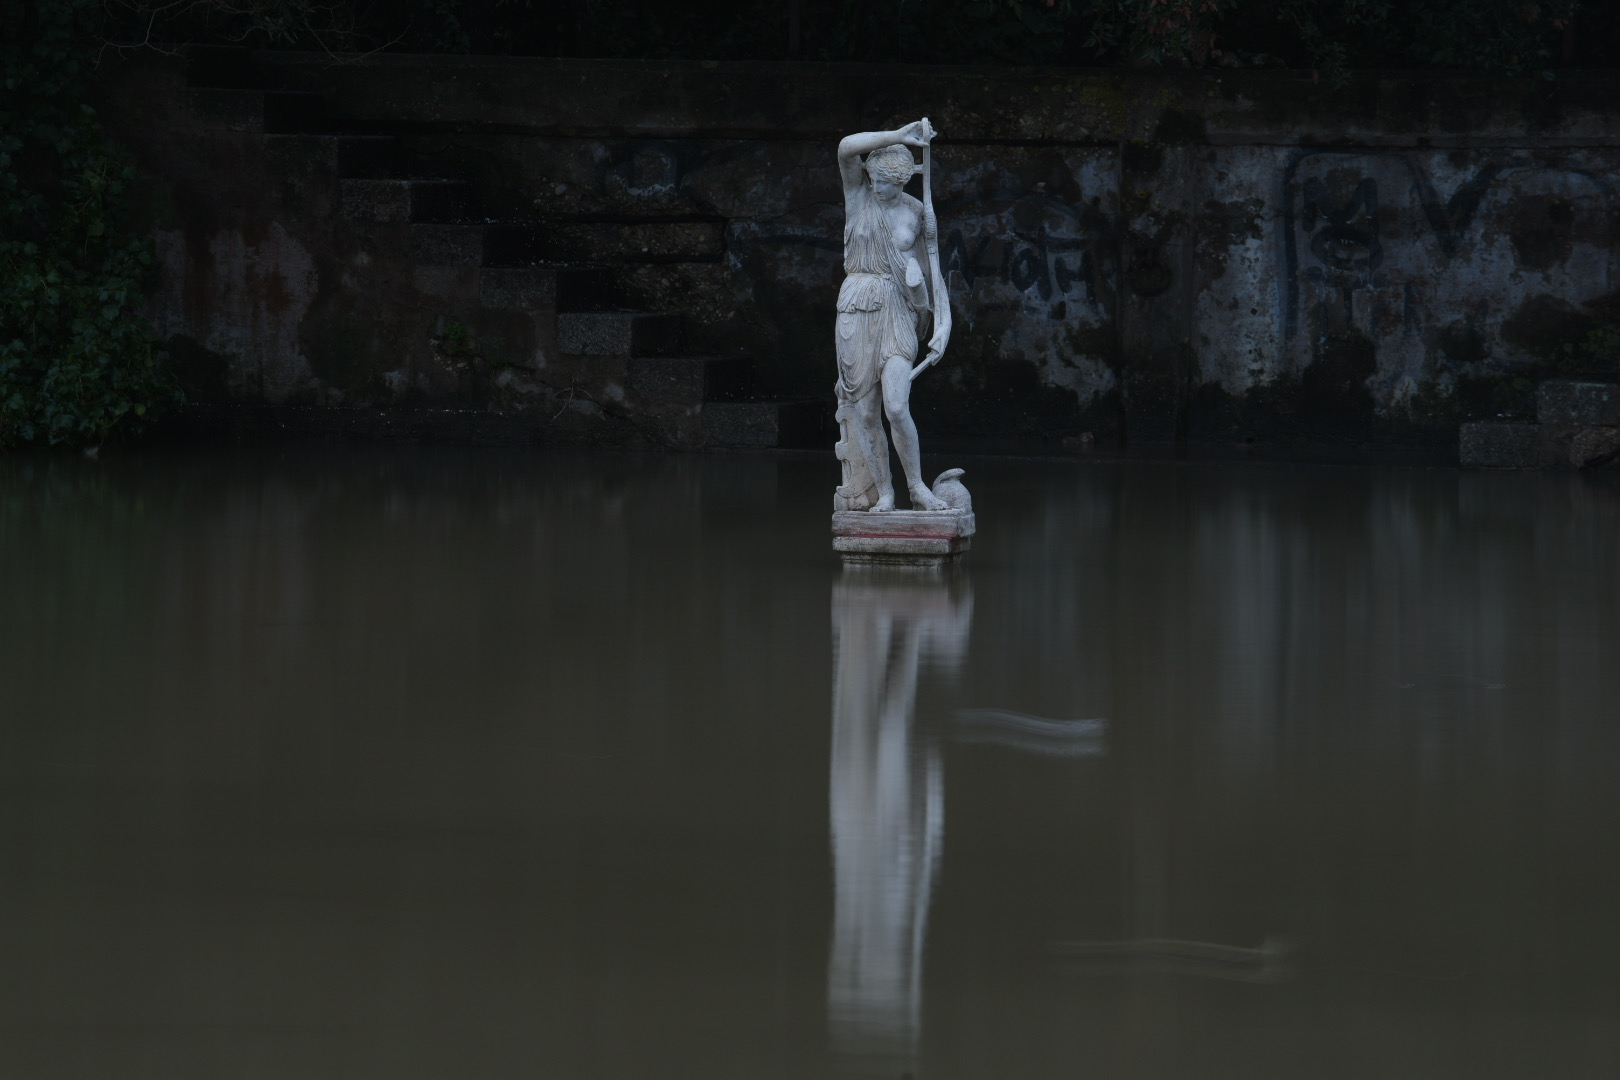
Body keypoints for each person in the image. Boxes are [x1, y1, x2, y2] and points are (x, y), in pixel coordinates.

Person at [833, 120, 948, 512]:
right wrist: (898, 137)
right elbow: (847, 145)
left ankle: (916, 487)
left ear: (902, 185)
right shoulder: (858, 196)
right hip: (856, 307)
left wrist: (921, 290)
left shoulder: (918, 211)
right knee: (866, 412)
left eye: (891, 184)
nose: (881, 189)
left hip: (898, 310)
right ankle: (885, 492)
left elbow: (928, 277)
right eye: (878, 180)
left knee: (896, 406)